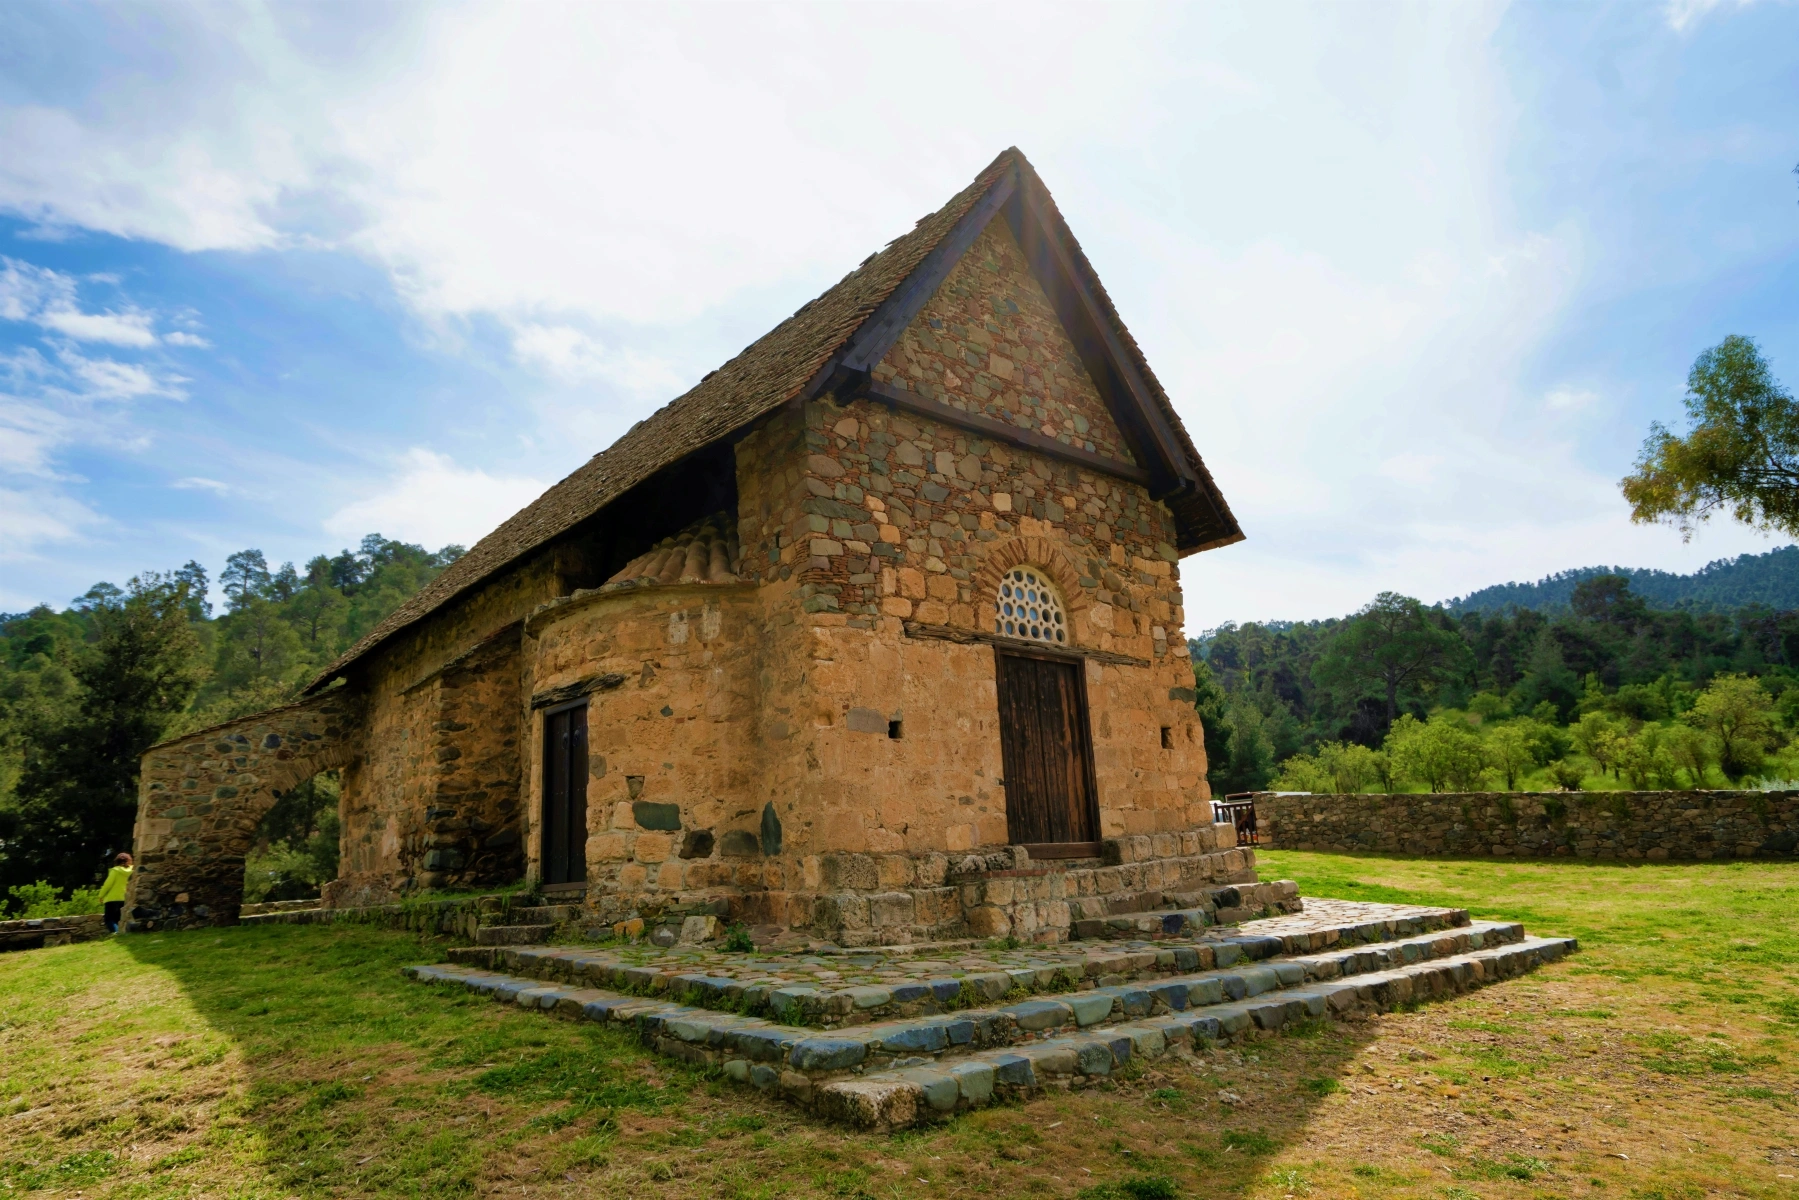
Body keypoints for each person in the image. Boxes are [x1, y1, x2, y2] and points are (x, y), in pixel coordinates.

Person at [97, 852, 132, 933]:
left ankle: (116, 933)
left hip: (112, 899)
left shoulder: (115, 871)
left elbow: (107, 885)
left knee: (109, 919)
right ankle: (121, 933)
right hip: (125, 898)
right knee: (119, 918)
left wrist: (101, 895)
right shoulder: (132, 871)